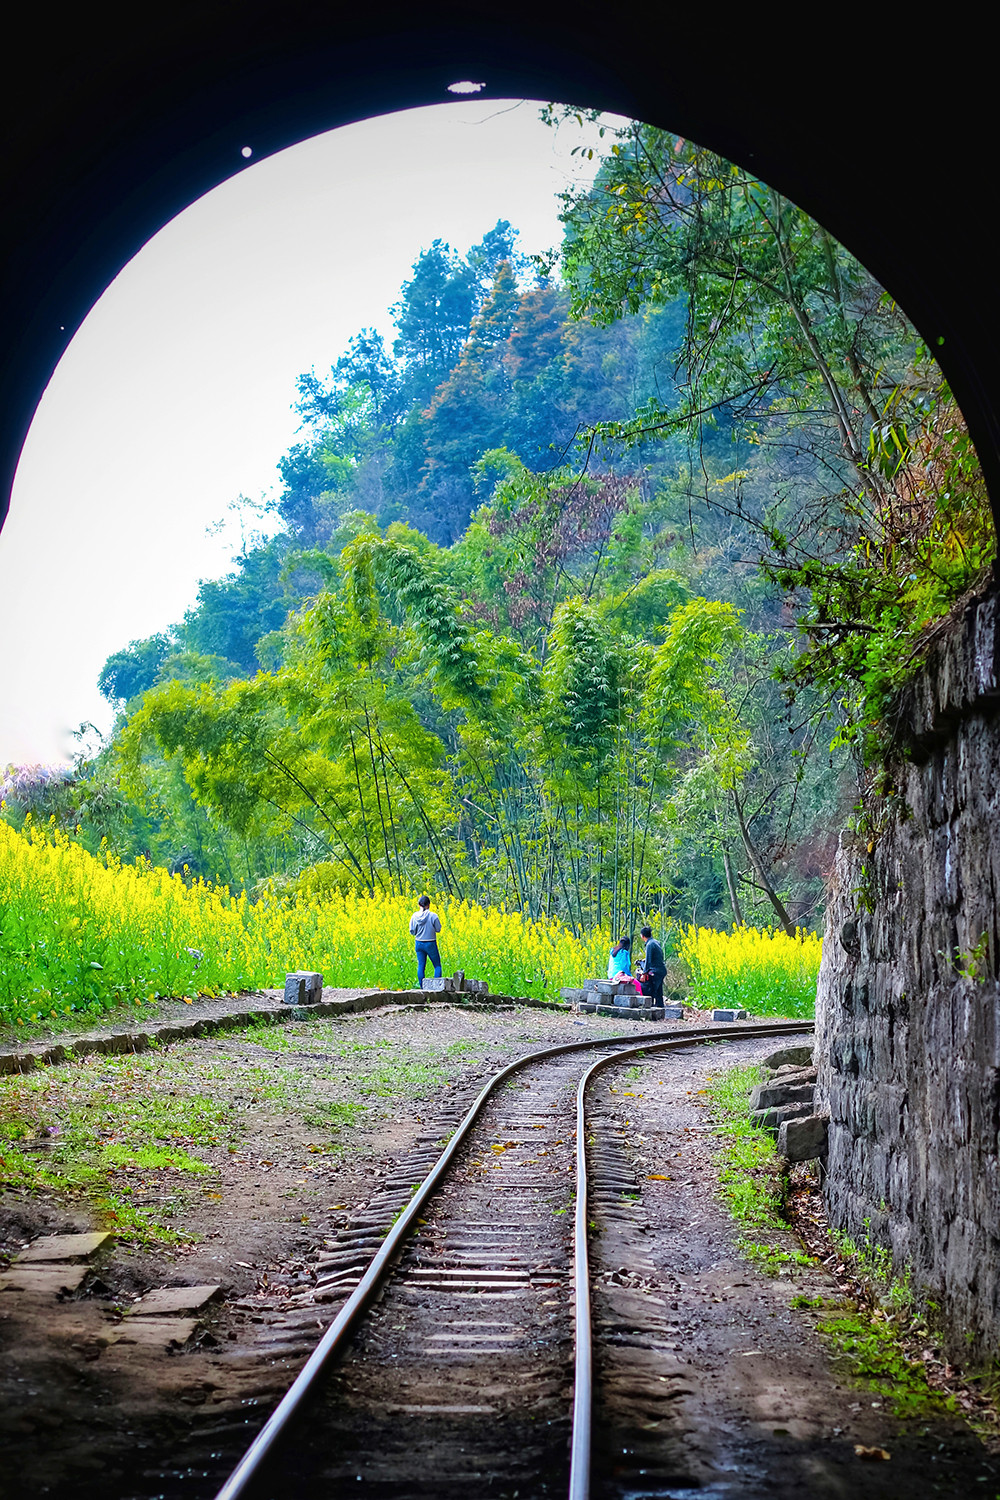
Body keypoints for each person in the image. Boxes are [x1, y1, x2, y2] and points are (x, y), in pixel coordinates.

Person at [409, 894, 443, 988]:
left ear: (419, 905)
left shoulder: (414, 916)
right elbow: (438, 929)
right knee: (437, 966)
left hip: (418, 943)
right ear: (428, 905)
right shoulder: (433, 916)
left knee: (421, 965)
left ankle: (422, 988)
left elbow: (412, 931)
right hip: (430, 942)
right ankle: (436, 987)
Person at [638, 925, 667, 1005]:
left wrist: (644, 974)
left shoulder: (649, 945)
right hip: (661, 969)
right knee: (658, 992)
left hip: (656, 971)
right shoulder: (655, 942)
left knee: (652, 991)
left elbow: (648, 961)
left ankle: (650, 1009)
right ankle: (660, 1008)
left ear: (642, 936)